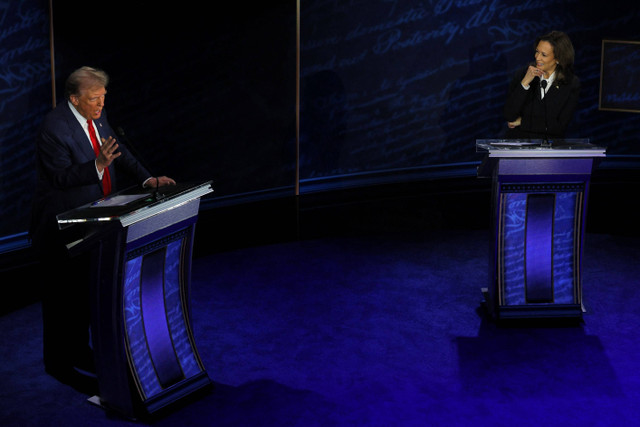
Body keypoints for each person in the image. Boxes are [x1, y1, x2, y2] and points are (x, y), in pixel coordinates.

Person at [30, 66, 175, 393]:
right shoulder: (54, 128)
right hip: (60, 227)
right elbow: (60, 178)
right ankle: (58, 365)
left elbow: (115, 149)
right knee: (60, 300)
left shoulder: (97, 113)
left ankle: (81, 351)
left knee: (82, 295)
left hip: (95, 221)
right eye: (94, 99)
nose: (100, 105)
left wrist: (147, 179)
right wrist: (97, 166)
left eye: (103, 98)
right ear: (74, 99)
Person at [504, 31, 580, 139]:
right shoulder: (523, 74)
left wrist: (523, 122)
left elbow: (559, 126)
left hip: (550, 148)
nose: (537, 57)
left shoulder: (571, 83)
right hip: (519, 144)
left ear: (558, 58)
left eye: (543, 55)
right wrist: (525, 83)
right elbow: (509, 116)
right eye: (537, 52)